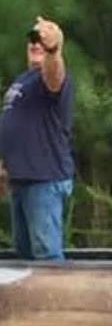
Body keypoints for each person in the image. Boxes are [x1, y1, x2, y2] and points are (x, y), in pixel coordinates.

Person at [0, 16, 74, 261]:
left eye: (42, 39)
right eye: (33, 38)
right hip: (21, 180)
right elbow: (16, 126)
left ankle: (59, 291)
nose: (36, 43)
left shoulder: (49, 76)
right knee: (25, 259)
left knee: (46, 258)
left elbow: (55, 76)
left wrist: (53, 50)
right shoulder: (23, 80)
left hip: (44, 180)